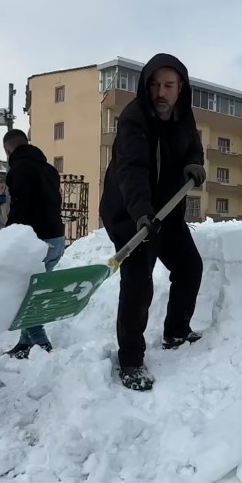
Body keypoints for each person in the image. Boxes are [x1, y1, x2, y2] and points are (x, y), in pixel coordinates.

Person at [98, 53, 207, 392]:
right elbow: (132, 169)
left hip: (167, 211)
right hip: (131, 214)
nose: (161, 92)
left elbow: (193, 149)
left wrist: (194, 165)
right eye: (155, 85)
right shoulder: (134, 120)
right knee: (138, 284)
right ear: (147, 86)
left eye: (169, 85)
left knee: (189, 266)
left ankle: (176, 331)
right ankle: (130, 360)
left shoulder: (183, 116)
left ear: (180, 88)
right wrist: (141, 212)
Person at [0, 128, 67, 359]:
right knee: (32, 292)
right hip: (57, 239)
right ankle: (25, 343)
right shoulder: (49, 169)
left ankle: (41, 343)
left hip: (36, 242)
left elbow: (20, 208)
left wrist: (7, 238)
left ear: (8, 150)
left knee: (23, 295)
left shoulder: (18, 170)